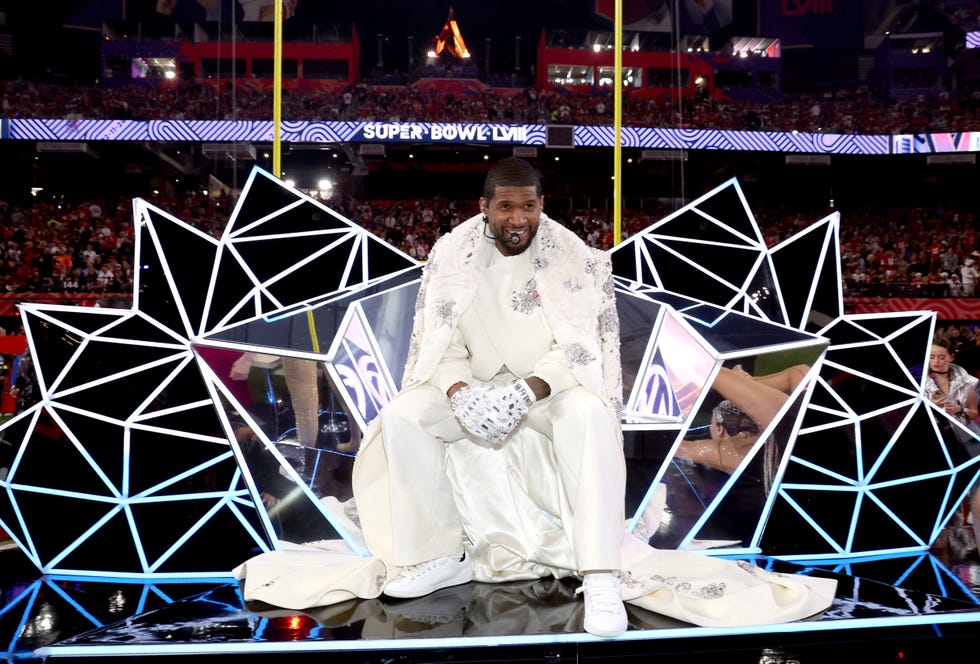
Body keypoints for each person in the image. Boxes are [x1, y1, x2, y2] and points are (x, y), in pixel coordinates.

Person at [351, 156, 628, 637]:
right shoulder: (451, 251)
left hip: (546, 391)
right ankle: (437, 556)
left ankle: (600, 574)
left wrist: (529, 389)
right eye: (505, 207)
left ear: (542, 205)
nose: (517, 218)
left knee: (590, 415)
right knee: (403, 416)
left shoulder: (573, 256)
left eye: (528, 206)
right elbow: (441, 343)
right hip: (476, 389)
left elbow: (580, 349)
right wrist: (460, 392)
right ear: (484, 207)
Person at [675, 364, 808, 479]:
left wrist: (744, 381)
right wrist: (746, 382)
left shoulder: (732, 454)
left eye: (712, 422)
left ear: (720, 430)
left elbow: (677, 447)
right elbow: (799, 371)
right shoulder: (788, 417)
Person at [923, 336, 980, 555]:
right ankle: (942, 546)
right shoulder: (919, 382)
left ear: (951, 357)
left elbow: (974, 412)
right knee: (944, 494)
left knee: (971, 496)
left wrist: (959, 409)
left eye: (940, 357)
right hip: (936, 442)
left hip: (966, 442)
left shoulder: (968, 382)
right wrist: (929, 405)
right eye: (931, 357)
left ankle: (961, 547)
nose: (936, 361)